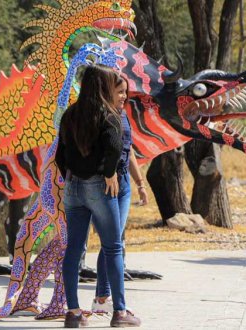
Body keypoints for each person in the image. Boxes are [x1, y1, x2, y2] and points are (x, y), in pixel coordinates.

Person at [56, 64, 141, 328]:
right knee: (113, 247)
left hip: (72, 188)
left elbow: (59, 156)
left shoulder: (70, 115)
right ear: (103, 86)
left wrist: (71, 176)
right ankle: (120, 312)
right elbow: (115, 147)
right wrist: (108, 173)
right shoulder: (109, 115)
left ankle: (73, 313)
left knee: (73, 249)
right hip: (99, 188)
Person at [91, 75, 149, 314]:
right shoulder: (99, 116)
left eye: (126, 92)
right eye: (120, 91)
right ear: (107, 91)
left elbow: (130, 150)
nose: (124, 96)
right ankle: (107, 301)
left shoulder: (123, 115)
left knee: (114, 241)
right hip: (106, 182)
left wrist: (141, 183)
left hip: (123, 183)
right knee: (113, 241)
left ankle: (102, 299)